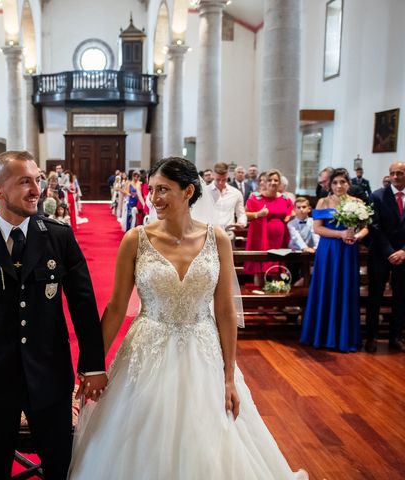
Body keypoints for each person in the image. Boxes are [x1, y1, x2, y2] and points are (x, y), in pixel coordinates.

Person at [68, 157, 306, 479]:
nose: (153, 198)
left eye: (163, 189)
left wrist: (228, 377)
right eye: (152, 189)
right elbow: (116, 307)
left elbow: (224, 311)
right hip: (147, 349)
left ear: (188, 191)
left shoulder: (217, 238)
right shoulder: (135, 239)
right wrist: (93, 366)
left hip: (202, 350)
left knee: (211, 439)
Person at [0, 151, 106, 480]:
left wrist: (92, 365)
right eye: (25, 181)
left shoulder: (58, 237)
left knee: (59, 464)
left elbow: (84, 307)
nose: (37, 189)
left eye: (38, 180)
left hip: (49, 371)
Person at [300, 168, 368, 352]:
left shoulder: (357, 202)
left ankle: (345, 337)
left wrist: (357, 236)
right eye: (335, 182)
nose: (339, 186)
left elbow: (365, 228)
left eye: (342, 182)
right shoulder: (323, 202)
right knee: (326, 288)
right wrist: (340, 233)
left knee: (346, 289)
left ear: (348, 184)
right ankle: (322, 335)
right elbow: (317, 229)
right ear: (330, 185)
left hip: (348, 251)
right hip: (328, 250)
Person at [365, 161, 405, 353]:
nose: (395, 177)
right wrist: (390, 251)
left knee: (401, 297)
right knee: (375, 296)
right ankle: (371, 336)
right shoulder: (377, 196)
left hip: (403, 256)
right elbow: (375, 226)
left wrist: (403, 251)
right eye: (392, 173)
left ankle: (395, 337)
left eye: (400, 173)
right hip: (381, 254)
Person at [244, 169, 294, 283]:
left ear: (279, 183)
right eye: (270, 180)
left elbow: (291, 211)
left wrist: (291, 216)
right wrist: (258, 214)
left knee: (277, 269)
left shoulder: (285, 199)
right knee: (260, 270)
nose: (273, 182)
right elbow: (244, 215)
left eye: (276, 180)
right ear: (264, 182)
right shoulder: (255, 198)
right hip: (260, 238)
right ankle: (260, 299)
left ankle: (275, 297)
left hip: (279, 239)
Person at [194, 162, 247, 239]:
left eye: (224, 179)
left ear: (228, 176)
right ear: (213, 175)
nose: (220, 182)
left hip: (228, 234)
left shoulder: (236, 193)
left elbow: (241, 213)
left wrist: (241, 222)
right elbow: (197, 214)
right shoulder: (204, 192)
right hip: (208, 234)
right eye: (218, 179)